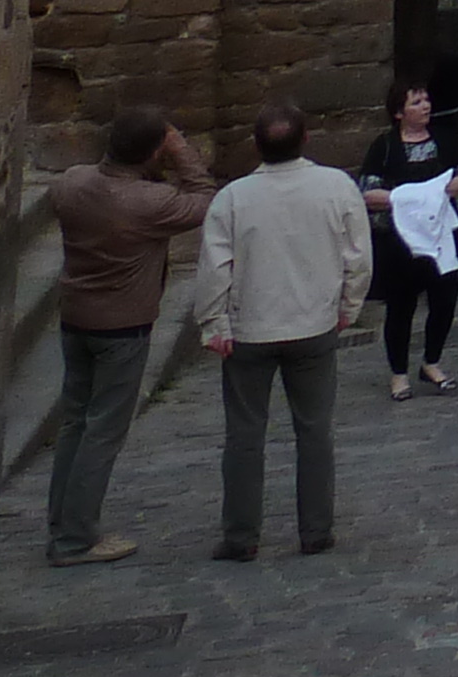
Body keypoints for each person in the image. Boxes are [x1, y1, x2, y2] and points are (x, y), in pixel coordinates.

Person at [193, 99, 370, 561]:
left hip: (250, 328)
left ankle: (240, 536)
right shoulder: (336, 187)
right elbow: (358, 256)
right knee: (314, 431)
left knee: (245, 435)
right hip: (313, 324)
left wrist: (214, 322)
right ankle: (315, 530)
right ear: (306, 138)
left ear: (255, 145)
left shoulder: (232, 198)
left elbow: (216, 266)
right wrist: (348, 306)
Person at [46, 105, 216, 564]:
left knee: (75, 422)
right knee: (103, 431)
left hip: (75, 318)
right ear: (155, 150)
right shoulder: (148, 203)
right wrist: (179, 151)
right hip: (122, 327)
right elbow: (204, 196)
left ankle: (62, 522)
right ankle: (75, 540)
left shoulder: (70, 183)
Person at [355, 78, 458, 397]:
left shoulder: (444, 139)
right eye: (416, 102)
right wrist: (414, 198)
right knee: (401, 307)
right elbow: (369, 192)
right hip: (400, 242)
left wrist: (439, 192)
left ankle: (431, 361)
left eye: (426, 100)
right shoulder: (385, 146)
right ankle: (398, 373)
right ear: (398, 112)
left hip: (442, 234)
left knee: (444, 302)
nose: (425, 107)